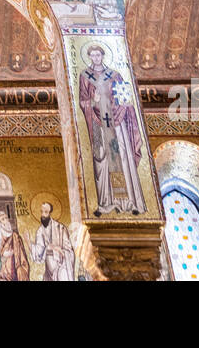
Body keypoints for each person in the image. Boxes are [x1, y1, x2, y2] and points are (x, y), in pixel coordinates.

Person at [78, 44, 145, 214]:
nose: (96, 58)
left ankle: (129, 202)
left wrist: (117, 107)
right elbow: (82, 101)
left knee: (122, 156)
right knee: (101, 158)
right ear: (89, 57)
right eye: (92, 55)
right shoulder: (84, 76)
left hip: (117, 122)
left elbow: (125, 99)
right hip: (97, 122)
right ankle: (106, 202)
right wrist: (94, 101)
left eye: (98, 55)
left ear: (103, 55)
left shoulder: (115, 75)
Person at [30, 202, 75, 280]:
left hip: (61, 266)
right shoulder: (40, 231)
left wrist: (59, 250)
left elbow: (69, 250)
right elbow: (38, 253)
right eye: (41, 212)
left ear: (50, 213)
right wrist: (29, 244)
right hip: (48, 271)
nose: (43, 215)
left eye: (46, 212)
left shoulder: (60, 228)